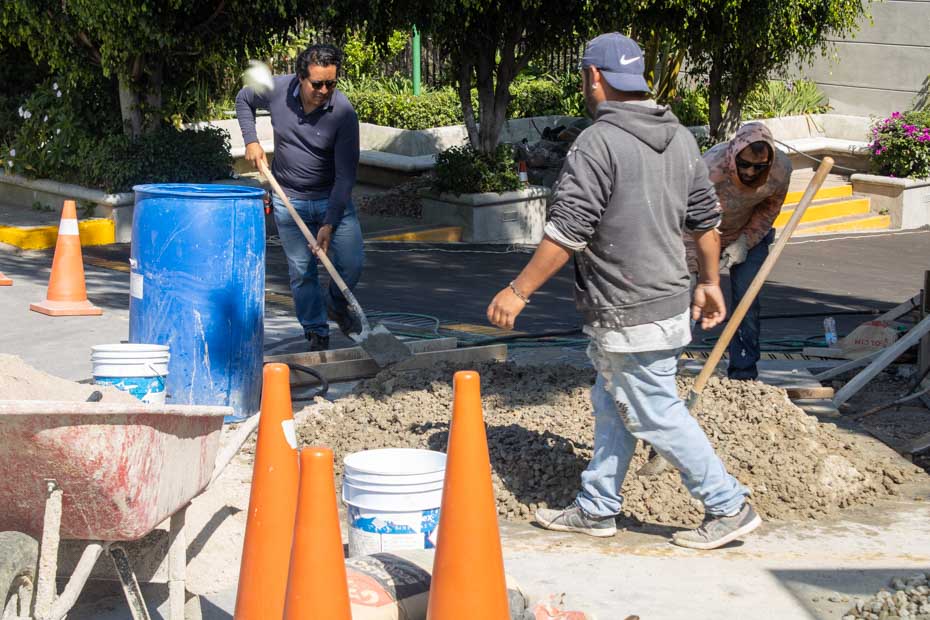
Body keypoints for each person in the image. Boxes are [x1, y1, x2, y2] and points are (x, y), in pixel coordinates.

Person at [486, 33, 761, 550]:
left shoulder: (597, 143)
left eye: (584, 79)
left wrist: (518, 291)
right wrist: (708, 282)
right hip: (666, 301)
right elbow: (706, 221)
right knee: (614, 400)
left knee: (654, 410)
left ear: (594, 78)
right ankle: (597, 507)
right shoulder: (680, 137)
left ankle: (727, 505)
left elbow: (568, 231)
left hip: (627, 309)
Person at [236, 44, 363, 351]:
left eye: (331, 83)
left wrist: (330, 224)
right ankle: (316, 329)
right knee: (302, 271)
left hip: (332, 198)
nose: (323, 90)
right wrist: (251, 141)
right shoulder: (277, 89)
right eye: (317, 83)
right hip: (288, 197)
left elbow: (346, 176)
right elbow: (244, 99)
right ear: (300, 78)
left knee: (351, 263)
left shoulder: (343, 113)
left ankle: (335, 303)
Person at [685, 123, 792, 380]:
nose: (750, 172)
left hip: (747, 233)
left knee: (747, 299)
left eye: (758, 167)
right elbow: (687, 220)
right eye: (744, 164)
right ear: (734, 155)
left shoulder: (780, 170)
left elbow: (769, 209)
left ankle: (743, 375)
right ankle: (664, 369)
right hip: (698, 232)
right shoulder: (710, 168)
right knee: (682, 296)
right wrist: (694, 267)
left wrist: (745, 241)